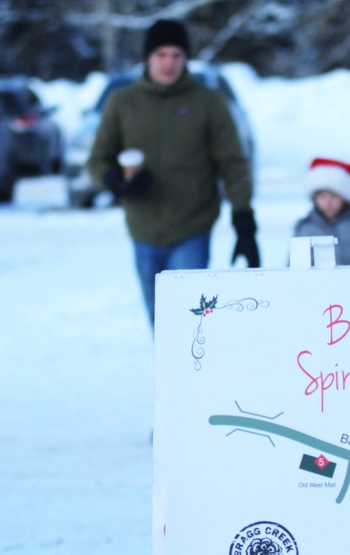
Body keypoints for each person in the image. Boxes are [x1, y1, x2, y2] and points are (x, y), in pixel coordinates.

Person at [87, 18, 259, 326]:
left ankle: (194, 374)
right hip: (143, 229)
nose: (169, 63)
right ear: (148, 58)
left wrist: (243, 216)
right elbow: (98, 159)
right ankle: (169, 376)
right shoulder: (123, 102)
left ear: (186, 59)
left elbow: (232, 162)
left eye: (177, 55)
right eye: (161, 55)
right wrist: (115, 181)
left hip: (192, 228)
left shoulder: (207, 102)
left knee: (189, 321)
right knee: (160, 322)